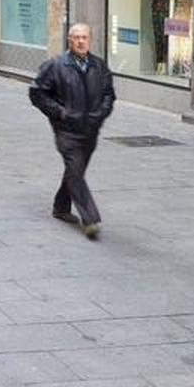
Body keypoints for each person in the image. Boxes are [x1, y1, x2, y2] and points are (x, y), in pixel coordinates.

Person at [29, 23, 115, 239]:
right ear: (69, 40)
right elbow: (37, 92)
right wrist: (59, 112)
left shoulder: (99, 66)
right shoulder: (56, 66)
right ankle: (91, 219)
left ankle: (60, 206)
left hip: (90, 130)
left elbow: (108, 94)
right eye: (76, 37)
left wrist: (100, 114)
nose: (80, 41)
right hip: (66, 130)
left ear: (90, 40)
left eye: (84, 37)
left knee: (74, 171)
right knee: (76, 171)